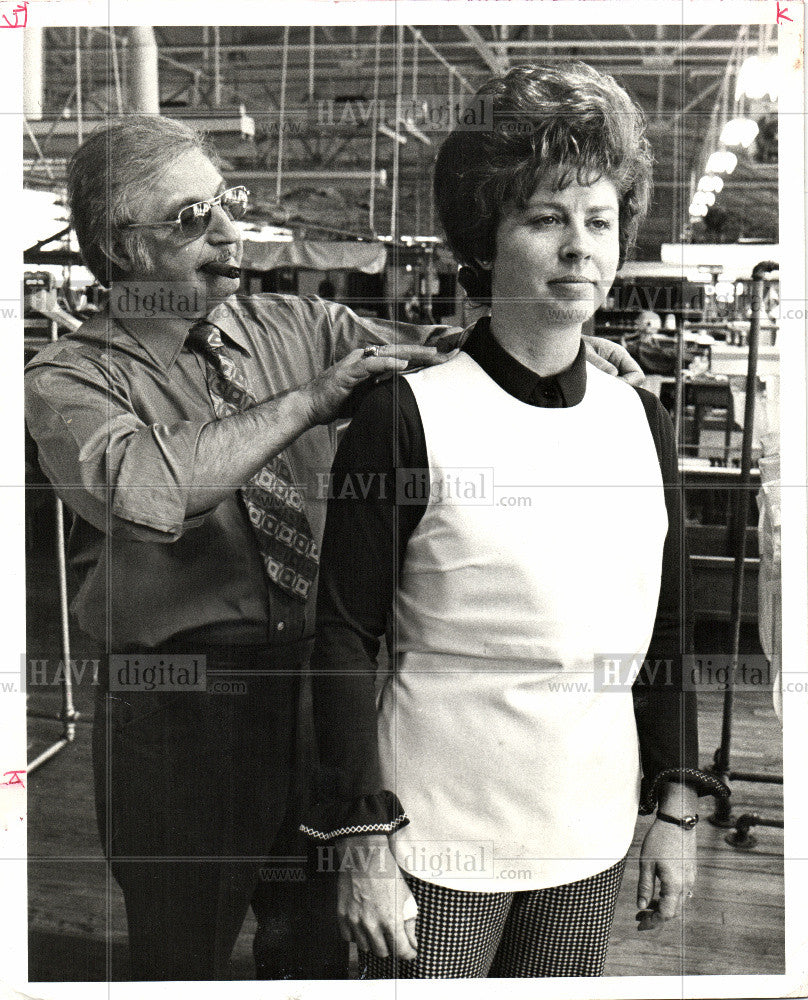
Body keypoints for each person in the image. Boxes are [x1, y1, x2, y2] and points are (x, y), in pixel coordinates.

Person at [23, 114, 642, 982]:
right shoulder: (67, 378)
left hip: (321, 691)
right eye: (191, 216)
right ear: (123, 245)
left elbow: (443, 366)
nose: (230, 232)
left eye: (227, 204)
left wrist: (558, 344)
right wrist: (309, 404)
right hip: (186, 713)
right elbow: (142, 487)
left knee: (324, 947)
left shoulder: (296, 323)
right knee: (179, 951)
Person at [303, 63, 730, 979]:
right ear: (485, 241)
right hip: (436, 842)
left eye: (600, 220)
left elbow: (663, 630)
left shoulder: (639, 419)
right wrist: (363, 835)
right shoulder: (406, 414)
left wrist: (679, 803)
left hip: (591, 837)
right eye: (545, 217)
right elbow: (341, 632)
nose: (580, 246)